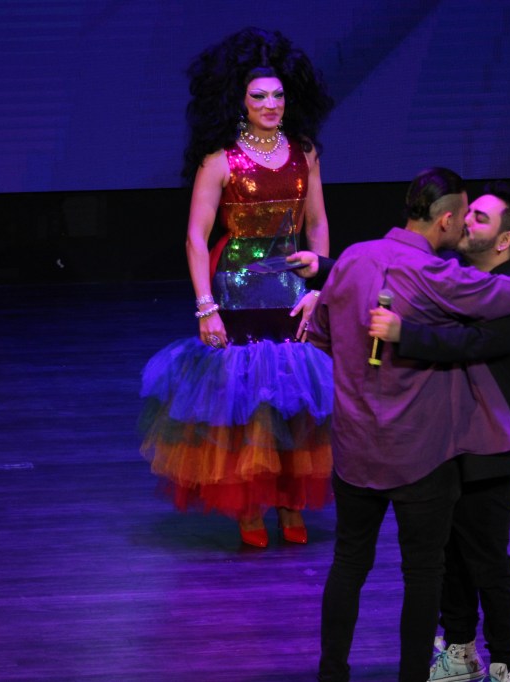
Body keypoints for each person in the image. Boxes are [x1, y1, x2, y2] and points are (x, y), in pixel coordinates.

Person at [306, 168, 510, 681]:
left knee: (350, 563)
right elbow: (509, 296)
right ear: (446, 220)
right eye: (466, 215)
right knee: (424, 572)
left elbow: (323, 335)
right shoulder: (439, 277)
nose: (466, 224)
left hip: (356, 448)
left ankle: (334, 673)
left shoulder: (354, 258)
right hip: (418, 454)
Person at [138, 27, 334, 548]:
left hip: (290, 288)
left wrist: (319, 283)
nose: (271, 104)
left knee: (297, 397)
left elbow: (317, 223)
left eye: (278, 95)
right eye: (259, 96)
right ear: (241, 103)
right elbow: (195, 238)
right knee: (245, 398)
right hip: (237, 289)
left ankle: (290, 501)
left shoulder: (305, 152)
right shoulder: (220, 159)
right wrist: (206, 307)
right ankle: (249, 506)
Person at [369, 182, 510, 682]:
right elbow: (390, 272)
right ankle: (461, 652)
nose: (467, 222)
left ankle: (505, 665)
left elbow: (471, 342)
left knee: (487, 559)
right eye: (468, 214)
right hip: (444, 442)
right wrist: (325, 274)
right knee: (449, 557)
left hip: (493, 444)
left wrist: (405, 334)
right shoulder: (452, 277)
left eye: (481, 218)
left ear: (504, 240)